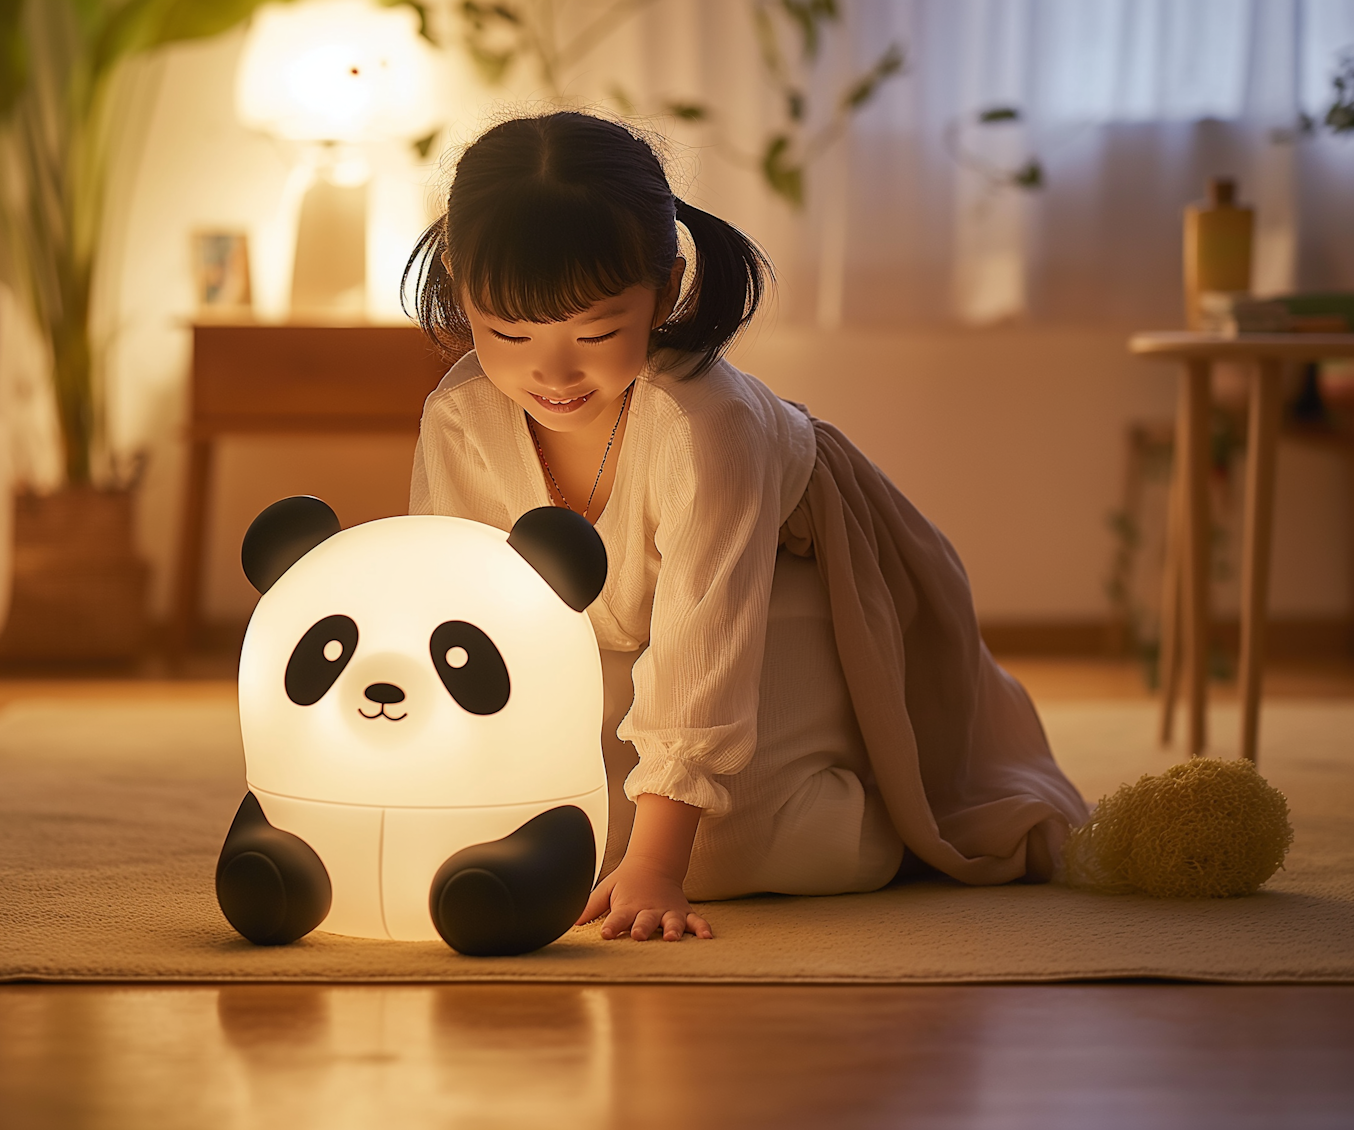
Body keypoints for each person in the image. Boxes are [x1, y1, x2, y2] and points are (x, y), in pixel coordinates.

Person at [405, 111, 1088, 945]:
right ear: (458, 282)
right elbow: (455, 606)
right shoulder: (462, 415)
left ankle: (871, 794)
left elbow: (705, 642)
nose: (551, 371)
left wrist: (659, 867)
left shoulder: (703, 423)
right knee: (564, 826)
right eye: (507, 333)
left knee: (717, 850)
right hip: (612, 635)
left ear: (665, 292)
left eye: (596, 333)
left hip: (791, 594)